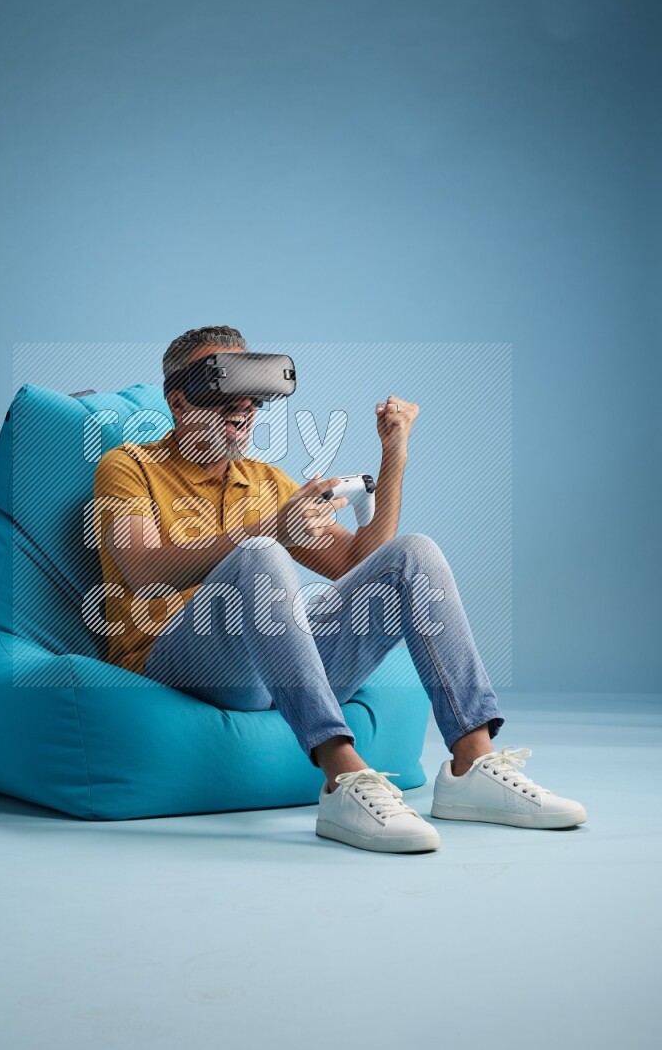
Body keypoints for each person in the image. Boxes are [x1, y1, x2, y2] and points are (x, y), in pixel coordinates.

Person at [93, 325, 586, 853]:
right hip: (180, 663)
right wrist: (269, 532)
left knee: (413, 554)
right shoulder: (128, 466)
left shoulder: (264, 480)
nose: (243, 406)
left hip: (274, 668)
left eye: (252, 390)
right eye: (222, 387)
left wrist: (393, 454)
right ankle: (342, 777)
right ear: (178, 400)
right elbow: (142, 569)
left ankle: (473, 762)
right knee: (261, 553)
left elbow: (360, 563)